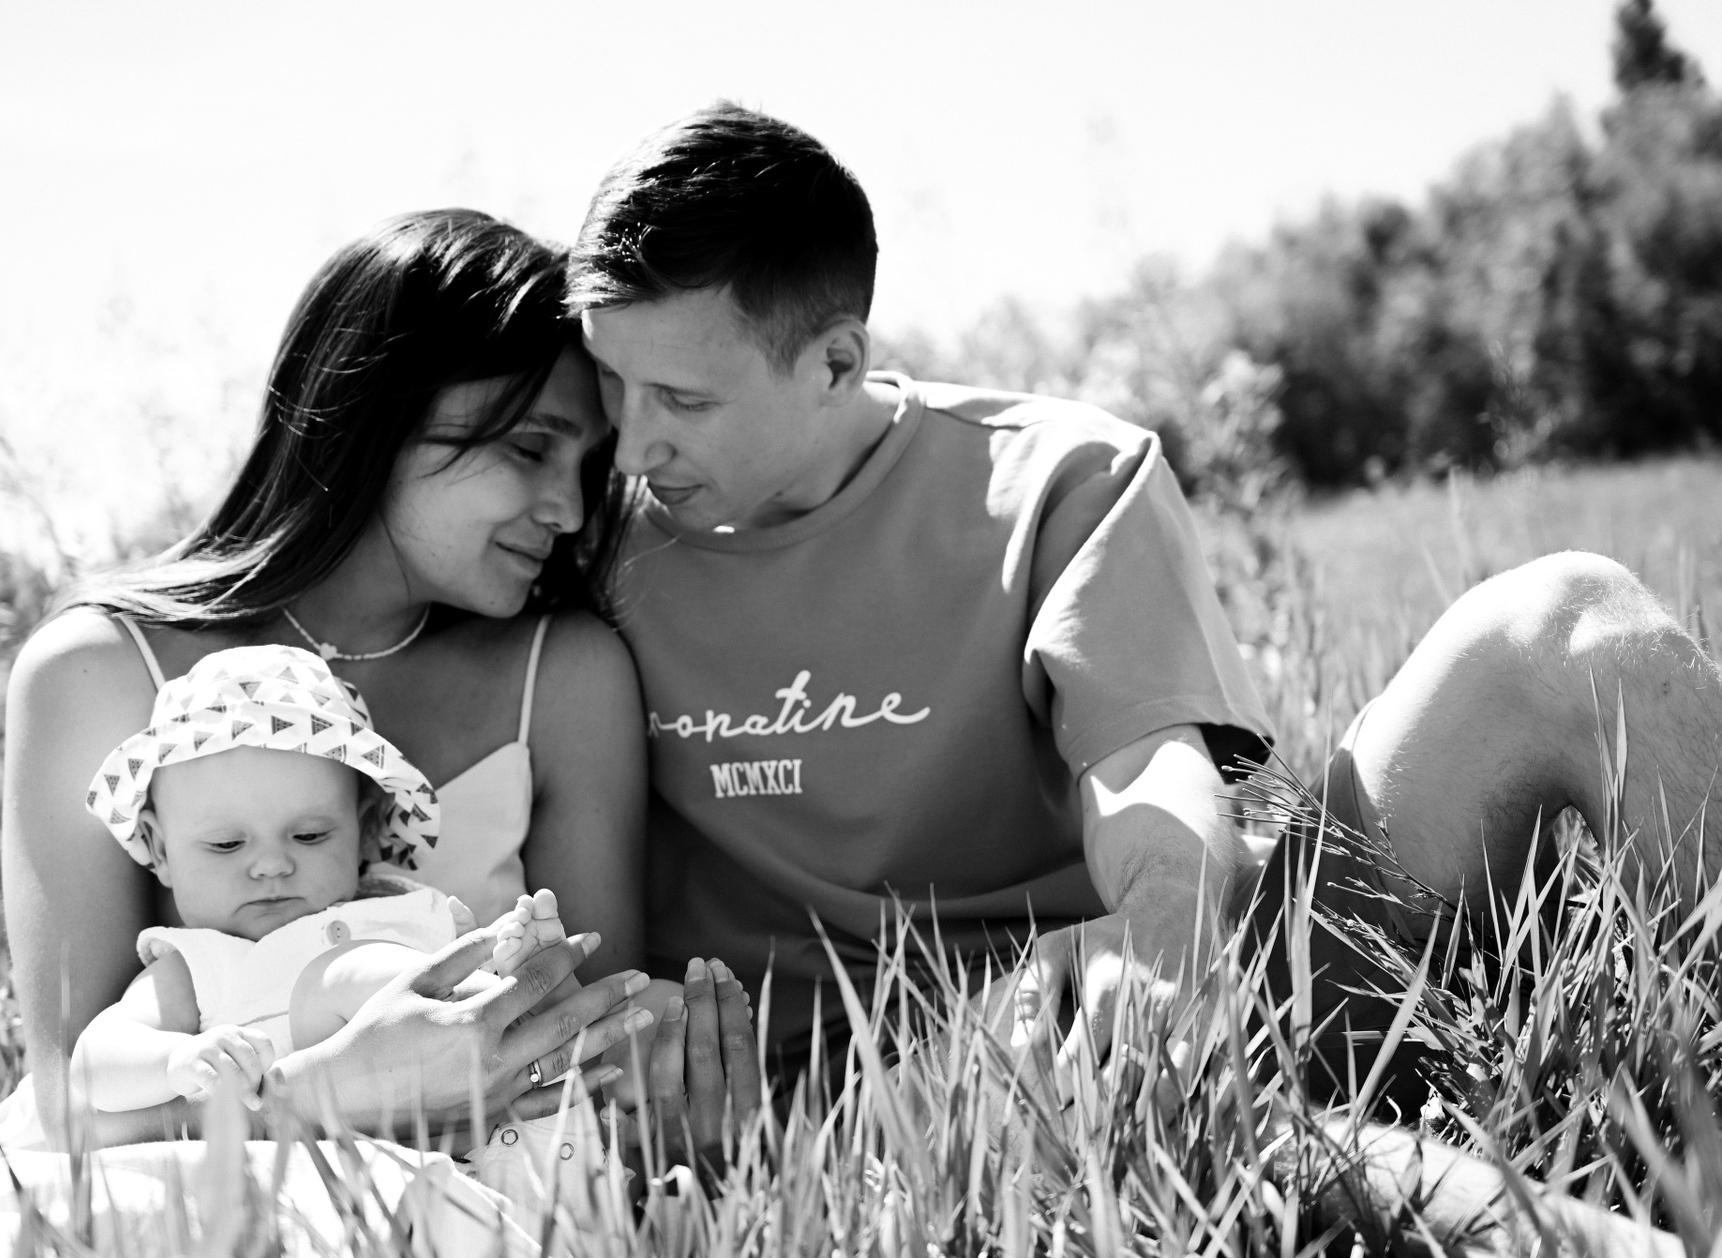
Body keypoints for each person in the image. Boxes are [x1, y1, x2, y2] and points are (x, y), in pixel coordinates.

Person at [567, 103, 1722, 1104]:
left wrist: (1163, 928)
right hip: (831, 1104)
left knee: (1567, 618)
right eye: (610, 383)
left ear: (833, 363)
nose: (627, 441)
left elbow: (1149, 758)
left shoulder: (1058, 478)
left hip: (1132, 1012)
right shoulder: (577, 540)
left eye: (681, 398)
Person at [0, 210, 757, 1254]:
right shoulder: (94, 670)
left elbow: (578, 1046)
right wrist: (327, 1090)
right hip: (164, 1188)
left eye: (588, 466)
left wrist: (677, 1112)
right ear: (373, 414)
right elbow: (68, 1100)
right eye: (529, 447)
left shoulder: (565, 675)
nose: (571, 511)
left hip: (466, 1194)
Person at [72, 642, 640, 1232]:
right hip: (318, 1188)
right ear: (161, 849)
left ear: (365, 829)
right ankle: (482, 1001)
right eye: (226, 844)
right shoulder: (198, 964)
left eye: (310, 836)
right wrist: (176, 1060)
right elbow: (92, 1062)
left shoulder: (406, 914)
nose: (271, 865)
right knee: (340, 976)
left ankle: (511, 997)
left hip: (486, 1163)